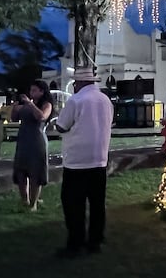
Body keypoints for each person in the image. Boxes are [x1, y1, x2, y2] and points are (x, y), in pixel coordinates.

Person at [55, 69, 114, 258]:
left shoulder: (76, 100)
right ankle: (95, 241)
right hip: (99, 159)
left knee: (73, 205)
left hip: (77, 162)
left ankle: (76, 242)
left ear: (78, 83)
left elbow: (61, 125)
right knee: (97, 204)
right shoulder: (105, 100)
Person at [11, 79, 53, 211]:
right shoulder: (29, 104)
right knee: (21, 171)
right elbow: (14, 118)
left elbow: (41, 117)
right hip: (23, 140)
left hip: (37, 140)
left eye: (34, 90)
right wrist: (15, 107)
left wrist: (29, 104)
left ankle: (33, 203)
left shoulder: (46, 104)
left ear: (42, 92)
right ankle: (24, 200)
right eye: (31, 90)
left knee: (35, 173)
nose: (31, 93)